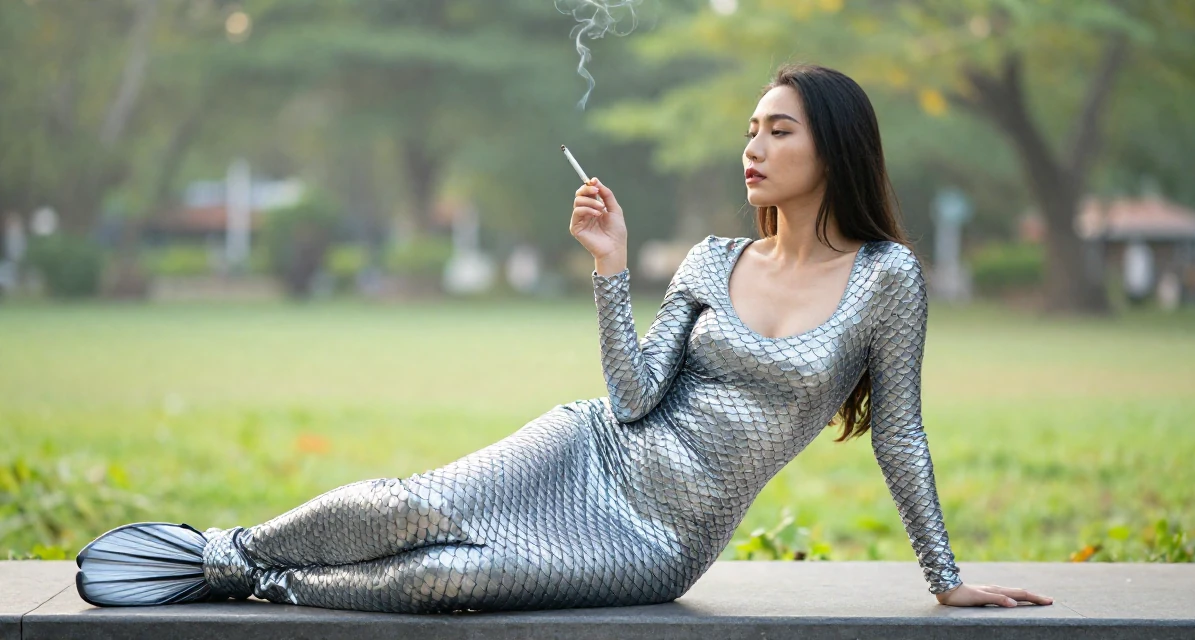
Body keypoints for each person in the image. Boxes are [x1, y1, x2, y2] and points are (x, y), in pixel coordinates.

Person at [75, 63, 1053, 613]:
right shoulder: (712, 260)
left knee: (446, 579)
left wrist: (947, 580)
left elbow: (901, 435)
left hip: (664, 534)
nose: (752, 146)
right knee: (407, 506)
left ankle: (279, 586)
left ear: (835, 146)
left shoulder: (887, 278)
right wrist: (611, 265)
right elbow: (633, 400)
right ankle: (227, 554)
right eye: (749, 128)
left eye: (779, 130)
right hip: (589, 445)